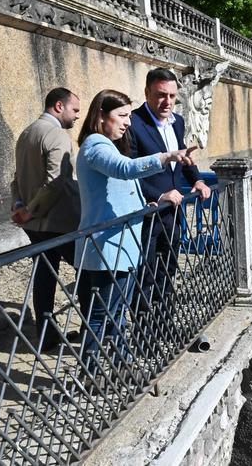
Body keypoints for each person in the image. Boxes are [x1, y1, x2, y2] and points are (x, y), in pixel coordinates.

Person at [74, 89, 195, 373]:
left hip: (121, 245)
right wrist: (167, 157)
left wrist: (152, 201)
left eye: (129, 115)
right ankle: (88, 372)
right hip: (108, 246)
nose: (128, 122)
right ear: (101, 116)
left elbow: (122, 190)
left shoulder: (106, 145)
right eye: (122, 116)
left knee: (115, 312)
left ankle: (123, 365)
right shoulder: (95, 145)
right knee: (101, 314)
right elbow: (124, 170)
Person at [10, 87, 90, 351]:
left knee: (44, 277)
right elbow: (55, 183)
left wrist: (20, 206)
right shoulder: (56, 134)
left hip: (34, 224)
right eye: (75, 110)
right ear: (59, 106)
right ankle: (92, 332)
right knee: (87, 274)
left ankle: (45, 336)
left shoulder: (26, 133)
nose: (77, 116)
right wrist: (31, 210)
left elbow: (16, 178)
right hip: (57, 221)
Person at [129, 68, 211, 308]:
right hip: (148, 211)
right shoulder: (133, 123)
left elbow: (182, 155)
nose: (167, 102)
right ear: (147, 93)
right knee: (146, 271)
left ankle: (165, 319)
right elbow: (128, 171)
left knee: (169, 266)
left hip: (174, 212)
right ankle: (146, 329)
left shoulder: (178, 122)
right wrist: (158, 194)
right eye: (161, 95)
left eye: (172, 96)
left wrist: (197, 179)